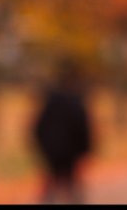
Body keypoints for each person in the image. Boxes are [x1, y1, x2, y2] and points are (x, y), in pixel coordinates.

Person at [31, 57, 95, 204]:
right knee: (71, 187)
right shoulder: (76, 102)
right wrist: (85, 150)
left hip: (52, 151)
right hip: (69, 153)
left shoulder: (51, 101)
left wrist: (42, 148)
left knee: (53, 184)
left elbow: (38, 127)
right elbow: (83, 128)